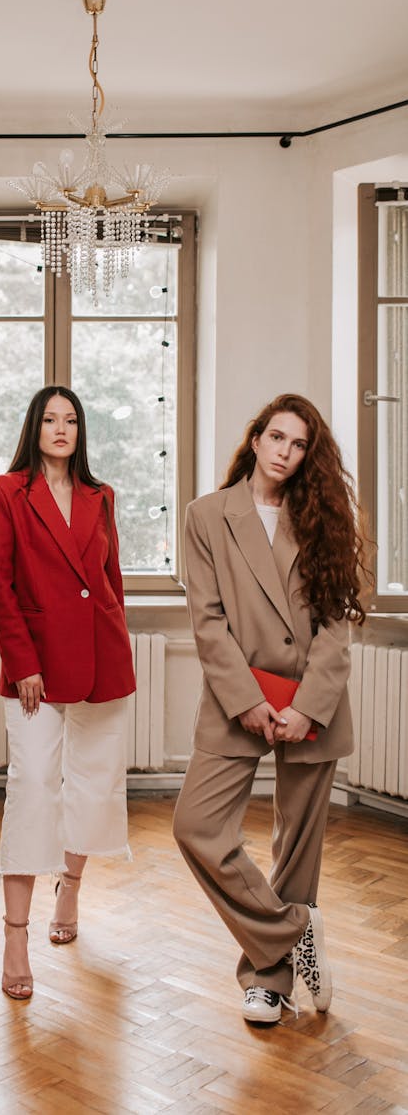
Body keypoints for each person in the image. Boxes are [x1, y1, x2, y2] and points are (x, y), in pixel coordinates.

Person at [173, 393, 369, 1024]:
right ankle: (291, 932)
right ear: (255, 439)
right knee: (197, 828)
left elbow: (338, 626)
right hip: (240, 696)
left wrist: (310, 707)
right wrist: (248, 701)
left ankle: (267, 978)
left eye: (300, 443)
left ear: (309, 454)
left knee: (297, 849)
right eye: (277, 437)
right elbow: (207, 622)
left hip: (314, 700)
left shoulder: (325, 516)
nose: (286, 452)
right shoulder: (206, 516)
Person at [0, 385, 136, 1000]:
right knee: (33, 789)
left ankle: (68, 892)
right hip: (36, 672)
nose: (61, 429)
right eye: (50, 419)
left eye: (71, 420)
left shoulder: (102, 497)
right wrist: (22, 663)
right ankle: (15, 935)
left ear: (82, 431)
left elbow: (111, 581)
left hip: (103, 661)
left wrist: (118, 642)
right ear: (34, 427)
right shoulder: (5, 492)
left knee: (95, 785)